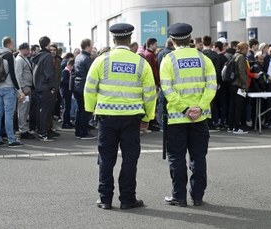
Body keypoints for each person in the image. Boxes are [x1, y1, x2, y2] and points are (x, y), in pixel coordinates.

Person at [85, 23, 156, 210]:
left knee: (106, 158)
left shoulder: (101, 60)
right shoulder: (141, 62)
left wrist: (92, 109)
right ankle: (127, 199)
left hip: (106, 117)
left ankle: (105, 198)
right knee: (130, 158)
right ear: (130, 39)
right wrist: (147, 118)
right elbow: (150, 93)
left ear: (113, 39)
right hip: (132, 117)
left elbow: (89, 88)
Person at [160, 23, 217, 206]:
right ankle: (198, 196)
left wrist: (184, 109)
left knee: (176, 158)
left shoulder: (168, 60)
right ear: (189, 39)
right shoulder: (203, 58)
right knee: (198, 157)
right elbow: (211, 86)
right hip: (199, 118)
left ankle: (179, 196)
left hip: (177, 119)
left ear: (173, 40)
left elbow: (167, 89)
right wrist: (199, 107)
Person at [0, 36, 25, 147]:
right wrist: (19, 90)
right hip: (8, 88)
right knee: (8, 115)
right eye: (12, 43)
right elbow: (13, 74)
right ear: (9, 44)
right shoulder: (9, 56)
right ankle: (11, 139)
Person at [31, 36, 57, 141]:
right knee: (45, 112)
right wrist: (52, 87)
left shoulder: (38, 56)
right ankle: (43, 133)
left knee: (40, 111)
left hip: (38, 87)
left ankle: (41, 131)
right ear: (48, 44)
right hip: (45, 87)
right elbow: (49, 73)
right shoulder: (47, 56)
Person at [73, 39, 95, 139]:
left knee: (80, 110)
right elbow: (92, 74)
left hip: (77, 85)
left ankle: (78, 131)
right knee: (85, 110)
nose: (92, 47)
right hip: (84, 85)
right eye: (91, 46)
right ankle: (83, 132)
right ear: (87, 46)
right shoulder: (87, 59)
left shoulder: (78, 57)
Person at [15, 42, 35, 139]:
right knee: (22, 109)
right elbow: (18, 75)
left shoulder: (24, 59)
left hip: (27, 87)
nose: (29, 51)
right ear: (23, 50)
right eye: (27, 49)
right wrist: (22, 89)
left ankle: (24, 129)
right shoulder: (19, 60)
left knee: (25, 109)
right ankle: (22, 130)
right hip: (24, 88)